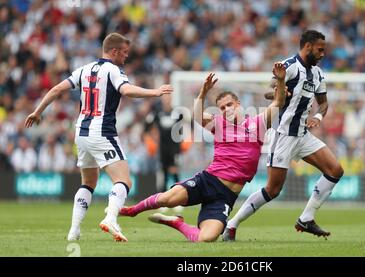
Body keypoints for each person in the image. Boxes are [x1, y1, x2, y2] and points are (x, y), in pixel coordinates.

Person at [24, 32, 173, 242]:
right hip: (102, 132)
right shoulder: (113, 70)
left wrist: (37, 111)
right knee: (124, 180)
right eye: (124, 53)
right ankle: (111, 218)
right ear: (114, 51)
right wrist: (155, 92)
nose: (126, 57)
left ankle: (74, 230)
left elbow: (57, 88)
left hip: (81, 133)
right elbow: (127, 90)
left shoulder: (84, 69)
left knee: (88, 182)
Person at [116, 62, 287, 242]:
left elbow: (279, 101)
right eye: (222, 107)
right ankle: (132, 210)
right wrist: (203, 93)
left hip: (226, 196)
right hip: (208, 181)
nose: (227, 109)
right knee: (167, 199)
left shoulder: (257, 124)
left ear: (238, 104)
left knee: (207, 238)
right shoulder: (218, 124)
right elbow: (197, 116)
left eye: (230, 105)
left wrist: (281, 80)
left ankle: (177, 222)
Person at [223, 30, 344, 241]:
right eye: (320, 49)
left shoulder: (317, 74)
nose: (323, 53)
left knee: (335, 170)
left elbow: (323, 103)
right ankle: (232, 224)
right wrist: (281, 88)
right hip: (283, 135)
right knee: (273, 189)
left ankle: (306, 218)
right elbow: (268, 93)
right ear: (308, 47)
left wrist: (317, 116)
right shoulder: (288, 66)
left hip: (302, 135)